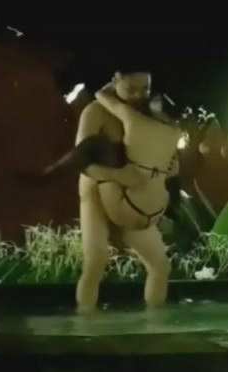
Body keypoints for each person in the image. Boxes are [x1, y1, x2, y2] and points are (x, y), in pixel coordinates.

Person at [74, 71, 182, 312]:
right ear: (116, 80)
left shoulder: (150, 115)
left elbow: (169, 162)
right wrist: (117, 175)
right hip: (96, 188)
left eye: (144, 90)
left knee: (160, 264)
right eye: (131, 89)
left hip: (135, 194)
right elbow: (81, 161)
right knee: (96, 261)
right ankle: (85, 323)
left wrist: (167, 169)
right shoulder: (95, 112)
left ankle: (155, 325)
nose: (138, 96)